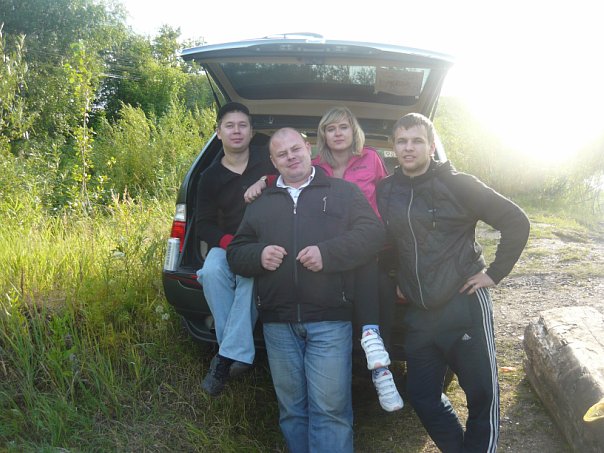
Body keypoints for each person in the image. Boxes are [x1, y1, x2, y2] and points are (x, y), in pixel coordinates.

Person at [376, 113, 530, 452]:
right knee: (422, 394)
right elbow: (390, 240)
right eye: (402, 141)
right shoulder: (386, 189)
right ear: (394, 147)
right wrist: (396, 274)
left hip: (463, 304)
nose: (409, 148)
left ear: (431, 146)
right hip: (419, 311)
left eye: (417, 141)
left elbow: (516, 221)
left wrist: (494, 273)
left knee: (482, 396)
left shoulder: (459, 184)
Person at [227, 127, 386, 453]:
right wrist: (258, 255)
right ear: (273, 161)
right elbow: (236, 252)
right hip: (278, 323)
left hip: (330, 320)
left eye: (295, 149)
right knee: (292, 411)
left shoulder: (342, 192)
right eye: (282, 154)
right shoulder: (261, 203)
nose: (291, 157)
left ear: (308, 148)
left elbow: (374, 234)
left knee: (330, 410)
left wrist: (328, 254)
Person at [314, 106, 403, 412]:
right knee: (377, 284)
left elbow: (390, 194)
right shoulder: (314, 165)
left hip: (370, 240)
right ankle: (376, 355)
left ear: (353, 132)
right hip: (331, 244)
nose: (338, 133)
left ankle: (376, 359)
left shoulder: (371, 158)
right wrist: (263, 180)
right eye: (331, 128)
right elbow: (287, 180)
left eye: (343, 127)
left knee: (380, 280)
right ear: (323, 135)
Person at [194, 102, 275, 396]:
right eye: (230, 126)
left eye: (243, 125)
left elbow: (295, 174)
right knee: (211, 271)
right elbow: (203, 225)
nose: (236, 131)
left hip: (264, 241)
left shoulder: (267, 160)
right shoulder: (209, 176)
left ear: (252, 132)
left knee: (249, 278)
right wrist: (229, 244)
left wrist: (266, 180)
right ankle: (236, 351)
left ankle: (225, 357)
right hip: (228, 241)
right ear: (218, 133)